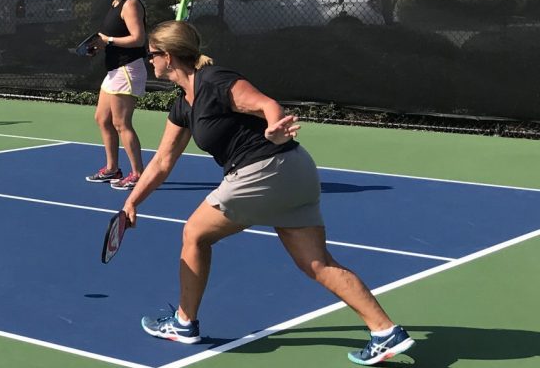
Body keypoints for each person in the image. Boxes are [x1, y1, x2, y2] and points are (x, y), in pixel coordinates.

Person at [122, 20, 413, 366]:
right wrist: (132, 200)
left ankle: (184, 323)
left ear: (167, 57)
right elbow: (162, 162)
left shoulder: (216, 81)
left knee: (194, 234)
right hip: (294, 173)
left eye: (150, 55)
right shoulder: (183, 105)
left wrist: (275, 127)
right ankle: (385, 331)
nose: (148, 62)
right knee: (317, 263)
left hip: (263, 170)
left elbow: (266, 104)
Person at [83, 0, 147, 190]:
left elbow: (138, 39)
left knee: (121, 123)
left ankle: (138, 174)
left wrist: (108, 41)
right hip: (114, 70)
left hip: (128, 69)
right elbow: (114, 38)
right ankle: (112, 169)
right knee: (102, 118)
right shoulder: (114, 4)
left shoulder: (130, 5)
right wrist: (99, 46)